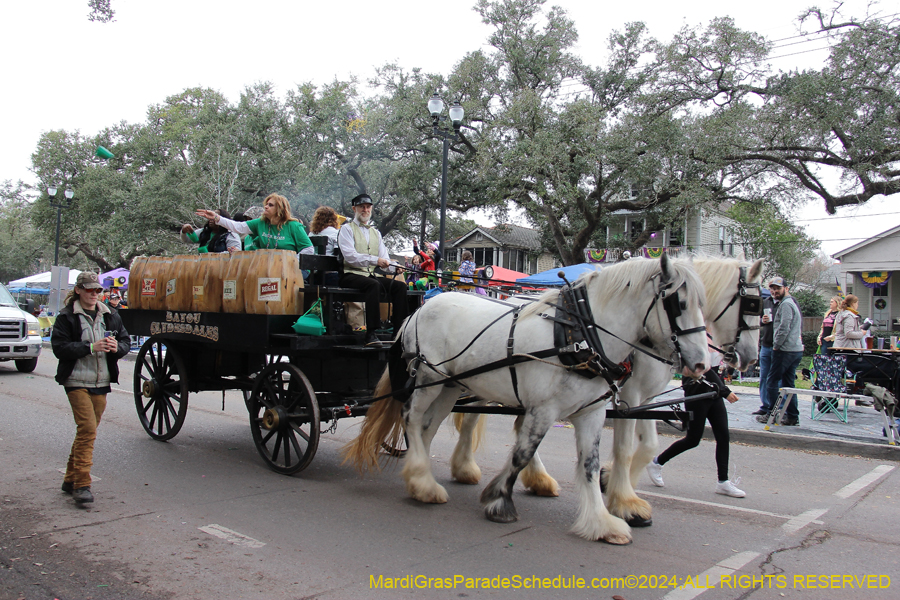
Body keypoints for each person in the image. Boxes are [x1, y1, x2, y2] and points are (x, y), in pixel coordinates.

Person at [52, 272, 131, 504]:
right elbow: (59, 348)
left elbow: (125, 342)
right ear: (78, 290)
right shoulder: (67, 317)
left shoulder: (111, 315)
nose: (94, 294)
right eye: (89, 290)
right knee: (87, 429)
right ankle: (82, 485)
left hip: (102, 381)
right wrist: (90, 347)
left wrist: (117, 347)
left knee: (86, 432)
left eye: (97, 291)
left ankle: (69, 478)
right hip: (76, 380)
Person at [645, 343, 746, 498]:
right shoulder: (698, 336)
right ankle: (657, 463)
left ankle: (723, 482)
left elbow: (716, 368)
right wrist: (725, 391)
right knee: (693, 439)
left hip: (714, 393)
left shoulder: (717, 337)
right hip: (696, 392)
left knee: (723, 436)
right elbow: (703, 368)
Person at [337, 193, 408, 345]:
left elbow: (385, 259)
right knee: (373, 285)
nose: (365, 210)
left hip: (369, 275)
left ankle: (399, 332)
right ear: (354, 209)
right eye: (362, 207)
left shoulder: (376, 233)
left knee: (400, 287)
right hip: (350, 274)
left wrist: (395, 268)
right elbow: (350, 257)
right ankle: (371, 332)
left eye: (368, 207)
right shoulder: (346, 229)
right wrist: (376, 260)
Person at [756, 277, 804, 426]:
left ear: (786, 288)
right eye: (772, 288)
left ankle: (771, 413)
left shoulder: (786, 304)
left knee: (772, 382)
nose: (774, 291)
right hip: (792, 350)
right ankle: (792, 416)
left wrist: (776, 346)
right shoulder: (773, 302)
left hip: (784, 350)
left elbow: (784, 328)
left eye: (778, 288)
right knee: (788, 384)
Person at [196, 194, 312, 254]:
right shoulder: (260, 223)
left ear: (280, 209)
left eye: (270, 205)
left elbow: (309, 249)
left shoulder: (294, 226)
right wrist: (217, 218)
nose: (265, 206)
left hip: (293, 269)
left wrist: (292, 261)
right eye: (266, 204)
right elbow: (237, 227)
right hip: (267, 267)